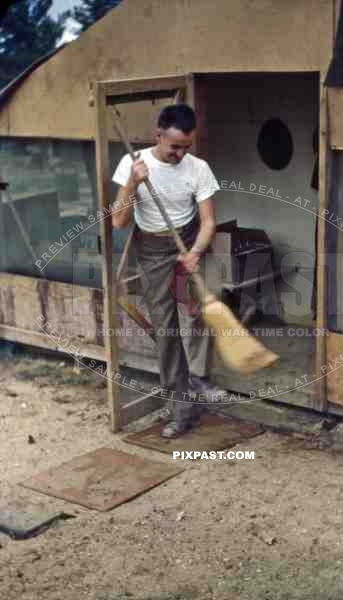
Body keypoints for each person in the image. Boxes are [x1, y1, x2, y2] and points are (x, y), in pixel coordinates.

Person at [112, 104, 226, 438]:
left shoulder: (198, 168)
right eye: (174, 146)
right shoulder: (133, 164)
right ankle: (181, 408)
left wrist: (193, 253)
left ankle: (200, 379)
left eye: (186, 147)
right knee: (167, 329)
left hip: (190, 237)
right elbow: (119, 222)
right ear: (158, 136)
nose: (180, 153)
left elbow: (208, 222)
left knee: (201, 309)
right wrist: (132, 183)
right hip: (152, 248)